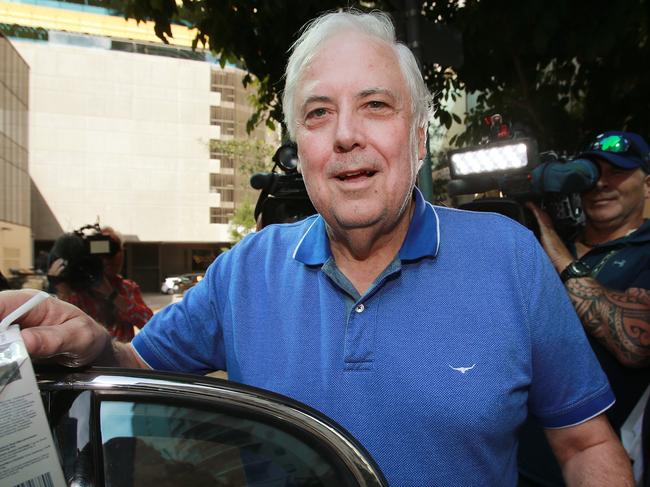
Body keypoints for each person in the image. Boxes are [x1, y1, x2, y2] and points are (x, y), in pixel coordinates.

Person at [0, 11, 634, 487]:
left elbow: (584, 446)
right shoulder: (246, 270)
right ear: (297, 150)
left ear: (417, 139)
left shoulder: (510, 259)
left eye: (375, 106)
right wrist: (93, 345)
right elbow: (138, 369)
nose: (347, 136)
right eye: (318, 113)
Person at [520, 131, 650, 486]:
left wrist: (557, 255)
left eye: (618, 172)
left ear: (648, 185)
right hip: (512, 462)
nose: (602, 183)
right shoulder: (539, 242)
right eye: (591, 173)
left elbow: (635, 345)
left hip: (595, 464)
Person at [47, 226, 153, 342]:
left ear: (122, 252)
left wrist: (113, 295)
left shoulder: (128, 288)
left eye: (112, 249)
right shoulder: (77, 289)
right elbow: (59, 328)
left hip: (121, 358)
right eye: (99, 250)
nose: (107, 259)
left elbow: (149, 324)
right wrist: (60, 286)